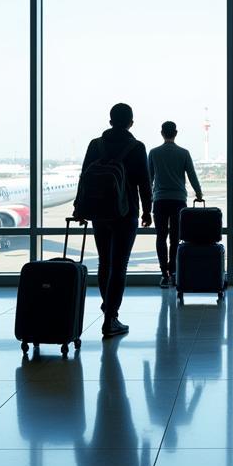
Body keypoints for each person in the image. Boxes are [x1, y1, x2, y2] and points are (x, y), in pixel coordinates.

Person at [74, 102, 152, 338]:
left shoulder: (95, 145)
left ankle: (108, 307)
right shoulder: (136, 147)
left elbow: (84, 176)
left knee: (104, 263)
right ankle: (111, 318)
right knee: (120, 265)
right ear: (131, 122)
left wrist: (80, 207)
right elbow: (144, 183)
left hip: (99, 212)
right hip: (125, 212)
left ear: (110, 121)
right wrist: (148, 210)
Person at [148, 120, 203, 289]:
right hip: (178, 200)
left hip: (160, 200)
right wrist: (199, 194)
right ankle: (173, 272)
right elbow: (192, 176)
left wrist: (146, 201)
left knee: (161, 237)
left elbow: (148, 179)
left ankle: (163, 273)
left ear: (162, 133)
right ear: (176, 133)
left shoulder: (154, 153)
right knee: (175, 238)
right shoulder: (183, 153)